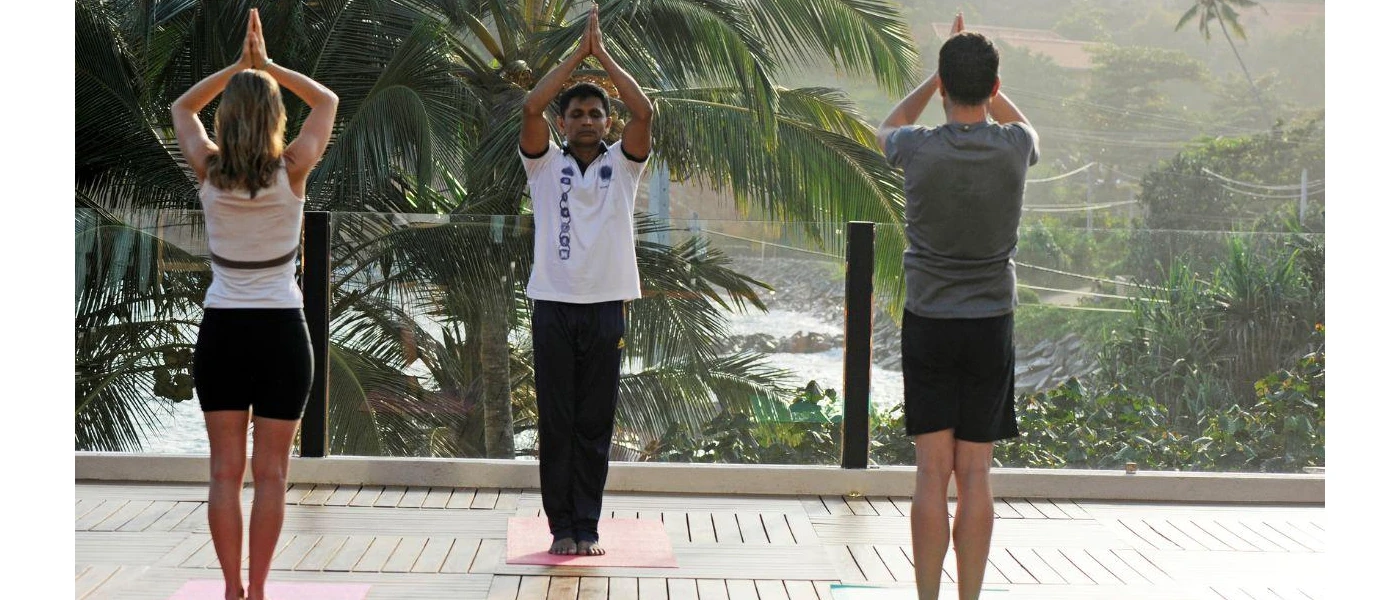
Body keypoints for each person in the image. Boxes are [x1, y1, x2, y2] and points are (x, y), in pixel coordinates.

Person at [171, 9, 338, 600]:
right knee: (272, 477)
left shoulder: (209, 170)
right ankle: (260, 591)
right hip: (281, 335)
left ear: (228, 118)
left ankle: (231, 590)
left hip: (223, 333)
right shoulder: (293, 170)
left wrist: (235, 69)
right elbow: (327, 103)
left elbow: (181, 110)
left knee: (223, 473)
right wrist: (267, 67)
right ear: (275, 119)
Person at [876, 13, 1039, 600]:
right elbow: (1023, 122)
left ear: (943, 87)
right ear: (994, 88)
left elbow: (888, 124)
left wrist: (934, 76)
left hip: (929, 323)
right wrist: (977, 83)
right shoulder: (1015, 146)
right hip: (991, 324)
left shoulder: (917, 149)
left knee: (930, 475)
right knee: (975, 476)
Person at [518, 3, 652, 557]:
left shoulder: (623, 164)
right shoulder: (544, 163)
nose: (588, 120)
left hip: (605, 308)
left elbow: (646, 112)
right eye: (577, 114)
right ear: (564, 123)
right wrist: (577, 55)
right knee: (558, 419)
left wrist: (605, 57)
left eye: (596, 113)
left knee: (595, 421)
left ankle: (588, 526)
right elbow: (530, 106)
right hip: (553, 304)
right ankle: (560, 527)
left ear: (607, 122)